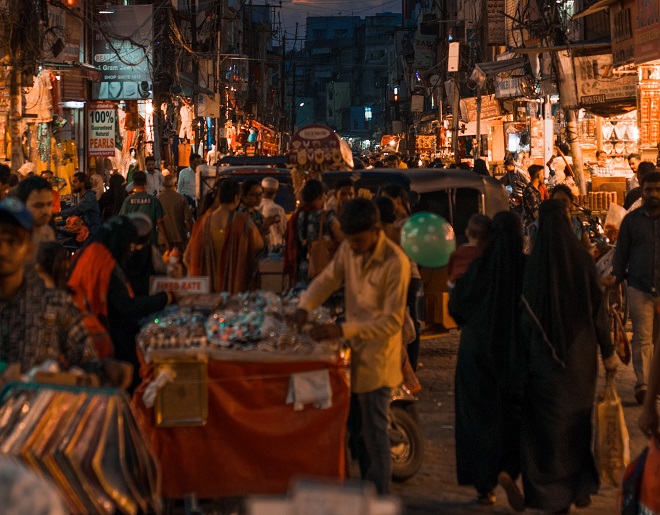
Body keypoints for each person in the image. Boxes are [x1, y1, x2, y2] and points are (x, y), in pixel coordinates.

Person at [293, 198, 411, 495]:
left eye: (359, 240)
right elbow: (329, 279)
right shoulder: (349, 249)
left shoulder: (396, 262)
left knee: (375, 437)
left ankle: (380, 497)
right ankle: (356, 492)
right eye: (351, 241)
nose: (355, 246)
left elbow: (391, 323)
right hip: (350, 358)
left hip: (378, 361)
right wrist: (304, 306)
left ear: (375, 231)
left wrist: (340, 329)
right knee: (353, 434)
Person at [518, 200, 619, 513]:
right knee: (577, 422)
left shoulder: (532, 264)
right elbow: (597, 309)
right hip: (579, 357)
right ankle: (579, 485)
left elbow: (524, 317)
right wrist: (608, 352)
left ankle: (549, 490)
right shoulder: (582, 260)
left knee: (547, 425)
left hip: (542, 361)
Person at [447, 211, 525, 508]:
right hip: (513, 354)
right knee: (513, 417)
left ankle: (485, 487)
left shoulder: (479, 268)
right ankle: (508, 469)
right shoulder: (526, 269)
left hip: (475, 353)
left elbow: (457, 307)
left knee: (477, 420)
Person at [68, 215, 173, 391]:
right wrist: (164, 298)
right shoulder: (103, 262)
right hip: (101, 338)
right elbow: (125, 305)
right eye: (129, 245)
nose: (131, 250)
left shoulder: (94, 251)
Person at [0, 197, 97, 372]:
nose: (2, 250)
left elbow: (87, 361)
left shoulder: (54, 303)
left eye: (12, 241)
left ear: (29, 248)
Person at [609, 171, 660, 405]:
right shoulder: (631, 221)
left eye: (658, 190)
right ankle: (643, 383)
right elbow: (621, 254)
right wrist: (616, 279)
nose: (654, 194)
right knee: (642, 337)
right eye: (649, 190)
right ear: (643, 190)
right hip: (639, 287)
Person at [185, 179, 264, 293]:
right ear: (237, 198)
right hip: (234, 292)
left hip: (206, 294)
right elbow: (258, 247)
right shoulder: (244, 222)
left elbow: (188, 256)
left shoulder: (202, 223)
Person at [380, 184, 425, 371]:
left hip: (409, 276)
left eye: (387, 199)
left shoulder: (407, 223)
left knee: (410, 324)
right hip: (397, 277)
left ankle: (410, 366)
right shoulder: (394, 222)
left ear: (397, 200)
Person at [284, 179, 342, 288]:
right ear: (321, 196)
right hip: (322, 271)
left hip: (300, 272)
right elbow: (343, 239)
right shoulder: (327, 217)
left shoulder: (296, 217)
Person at [527, 185, 592, 252]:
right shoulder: (537, 227)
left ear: (571, 202)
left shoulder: (577, 224)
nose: (560, 204)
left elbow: (588, 248)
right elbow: (532, 254)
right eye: (557, 201)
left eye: (564, 201)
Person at [120, 171, 169, 247]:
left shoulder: (128, 201)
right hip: (150, 242)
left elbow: (123, 222)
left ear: (133, 183)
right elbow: (160, 223)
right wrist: (167, 244)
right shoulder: (153, 200)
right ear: (146, 182)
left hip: (134, 242)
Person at [446, 213, 491, 289]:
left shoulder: (459, 251)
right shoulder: (486, 253)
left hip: (456, 284)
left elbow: (450, 268)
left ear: (467, 232)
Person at [16, 176, 55, 260]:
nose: (45, 211)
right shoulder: (12, 239)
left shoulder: (48, 232)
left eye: (49, 204)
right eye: (38, 206)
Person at [157, 174, 192, 253]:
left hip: (162, 239)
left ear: (163, 184)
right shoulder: (181, 198)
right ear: (175, 184)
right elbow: (188, 220)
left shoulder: (157, 198)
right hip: (179, 237)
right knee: (178, 264)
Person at [59, 172, 102, 236]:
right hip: (88, 232)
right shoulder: (85, 196)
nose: (73, 184)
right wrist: (58, 223)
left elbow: (75, 209)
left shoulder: (89, 196)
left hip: (92, 233)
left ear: (82, 183)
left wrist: (56, 214)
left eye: (75, 182)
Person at [259, 177, 286, 250]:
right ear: (276, 192)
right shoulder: (278, 209)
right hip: (274, 249)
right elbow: (284, 231)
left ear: (262, 190)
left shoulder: (254, 207)